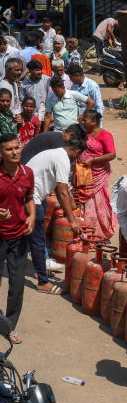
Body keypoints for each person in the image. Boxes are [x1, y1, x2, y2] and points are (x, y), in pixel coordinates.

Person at [25, 135, 85, 293]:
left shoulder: (57, 153)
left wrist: (72, 209)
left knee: (30, 236)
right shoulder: (63, 159)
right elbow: (62, 192)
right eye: (78, 156)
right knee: (37, 240)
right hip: (31, 197)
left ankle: (39, 271)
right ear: (76, 151)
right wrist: (72, 221)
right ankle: (43, 282)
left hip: (31, 194)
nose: (76, 160)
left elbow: (64, 191)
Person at [0, 133, 34, 344]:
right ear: (1, 153)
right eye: (9, 149)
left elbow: (29, 198)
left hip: (19, 237)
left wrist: (31, 216)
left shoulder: (27, 173)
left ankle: (9, 326)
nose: (15, 152)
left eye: (17, 147)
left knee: (17, 284)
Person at [77, 109, 116, 240]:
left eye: (85, 119)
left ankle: (100, 233)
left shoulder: (105, 135)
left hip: (99, 175)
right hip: (84, 172)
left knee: (99, 203)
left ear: (94, 122)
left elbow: (112, 154)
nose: (82, 121)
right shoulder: (84, 134)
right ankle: (86, 231)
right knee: (84, 200)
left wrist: (93, 160)